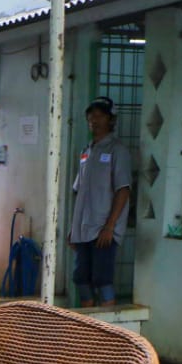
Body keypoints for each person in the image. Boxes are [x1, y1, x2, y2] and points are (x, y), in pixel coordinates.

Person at [69, 96, 131, 308]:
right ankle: (87, 324)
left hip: (103, 228)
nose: (94, 120)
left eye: (100, 116)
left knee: (102, 279)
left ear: (111, 119)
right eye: (91, 116)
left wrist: (110, 226)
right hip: (83, 228)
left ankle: (108, 324)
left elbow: (123, 189)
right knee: (81, 278)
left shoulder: (117, 150)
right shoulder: (86, 151)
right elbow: (79, 191)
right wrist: (74, 229)